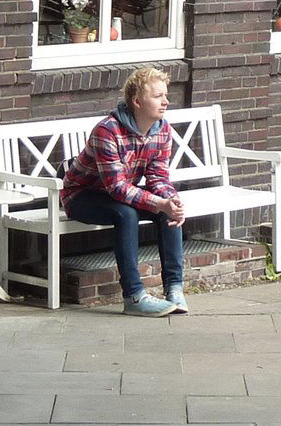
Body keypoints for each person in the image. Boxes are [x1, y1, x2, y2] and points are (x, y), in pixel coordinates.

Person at [60, 65, 188, 316]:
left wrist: (171, 200)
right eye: (158, 96)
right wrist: (158, 203)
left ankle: (174, 288)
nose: (166, 102)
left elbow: (158, 177)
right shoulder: (108, 130)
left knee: (168, 211)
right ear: (137, 102)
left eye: (165, 95)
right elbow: (117, 187)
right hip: (82, 195)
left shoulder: (162, 129)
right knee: (126, 214)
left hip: (118, 194)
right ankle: (134, 296)